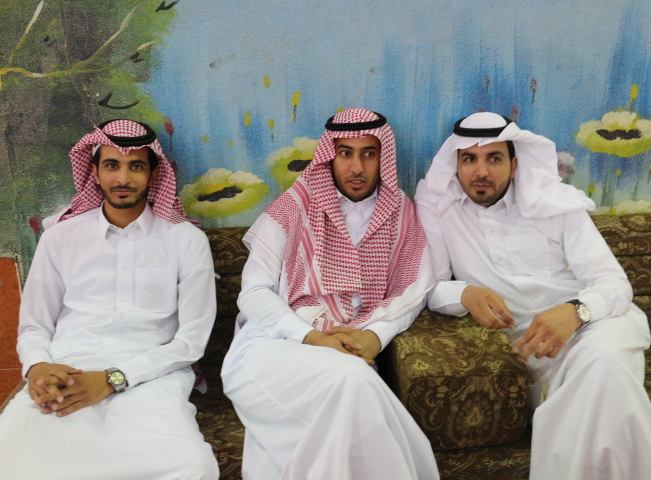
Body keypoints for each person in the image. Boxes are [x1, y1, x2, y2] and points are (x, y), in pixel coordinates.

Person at [415, 112, 651, 480]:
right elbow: (432, 286)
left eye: (494, 158)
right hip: (535, 350)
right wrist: (466, 293)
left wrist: (575, 311)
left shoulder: (555, 203)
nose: (480, 171)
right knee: (605, 402)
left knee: (604, 363)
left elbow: (615, 284)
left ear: (515, 165)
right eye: (469, 158)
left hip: (599, 326)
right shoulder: (440, 208)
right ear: (455, 165)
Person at [221, 108, 439, 480]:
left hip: (349, 347)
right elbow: (254, 292)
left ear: (382, 158)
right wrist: (312, 337)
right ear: (330, 156)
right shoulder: (294, 206)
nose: (357, 167)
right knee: (354, 380)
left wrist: (375, 337)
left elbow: (412, 291)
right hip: (274, 344)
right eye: (345, 153)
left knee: (352, 381)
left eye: (368, 154)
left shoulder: (401, 213)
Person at [0, 119, 219, 480]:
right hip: (67, 369)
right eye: (112, 165)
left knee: (192, 466)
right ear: (95, 172)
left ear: (153, 174)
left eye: (136, 167)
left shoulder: (185, 240)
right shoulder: (59, 238)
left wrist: (112, 379)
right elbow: (35, 327)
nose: (123, 178)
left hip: (152, 377)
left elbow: (191, 342)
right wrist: (38, 367)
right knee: (13, 460)